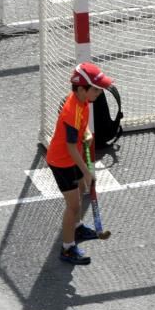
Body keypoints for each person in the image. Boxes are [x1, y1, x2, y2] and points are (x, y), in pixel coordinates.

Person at [45, 62, 115, 265]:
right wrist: (87, 171)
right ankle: (67, 248)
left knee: (80, 194)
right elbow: (69, 147)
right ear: (83, 88)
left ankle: (77, 228)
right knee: (73, 206)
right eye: (96, 89)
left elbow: (78, 129)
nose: (100, 93)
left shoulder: (82, 102)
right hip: (62, 162)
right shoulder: (72, 110)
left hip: (71, 158)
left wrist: (86, 133)